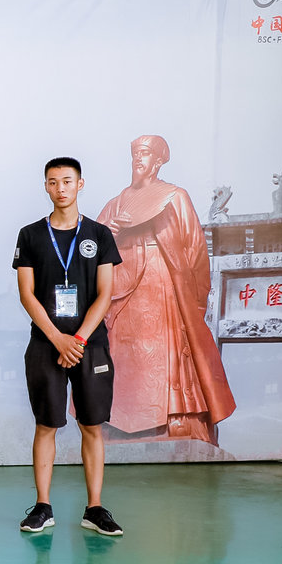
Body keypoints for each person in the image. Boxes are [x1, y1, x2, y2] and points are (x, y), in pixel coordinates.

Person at [95, 135, 236, 444]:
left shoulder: (175, 197)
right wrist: (109, 235)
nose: (138, 158)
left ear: (158, 160)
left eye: (145, 153)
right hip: (122, 291)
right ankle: (115, 423)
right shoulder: (114, 205)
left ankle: (176, 418)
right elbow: (89, 253)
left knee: (168, 354)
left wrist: (193, 302)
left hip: (162, 285)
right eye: (135, 152)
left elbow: (195, 250)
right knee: (121, 356)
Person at [14, 157, 124, 537]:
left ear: (80, 184)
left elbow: (105, 293)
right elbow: (27, 294)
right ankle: (42, 507)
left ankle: (94, 508)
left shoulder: (99, 234)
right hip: (46, 344)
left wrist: (76, 340)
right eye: (53, 182)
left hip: (89, 345)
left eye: (67, 181)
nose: (60, 188)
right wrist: (57, 338)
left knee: (91, 426)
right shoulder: (30, 235)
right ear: (45, 186)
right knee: (46, 425)